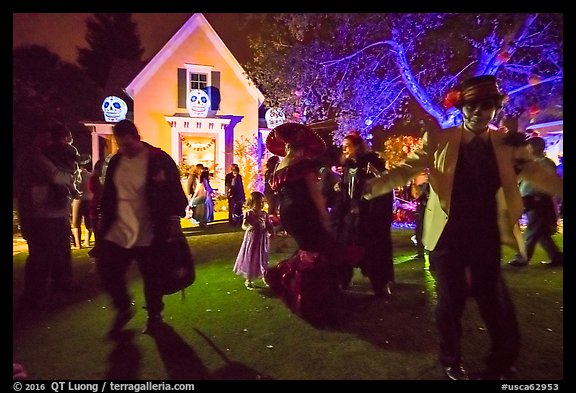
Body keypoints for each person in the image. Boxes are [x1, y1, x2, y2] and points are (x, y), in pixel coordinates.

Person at [363, 75, 563, 380]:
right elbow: (407, 169)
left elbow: (534, 172)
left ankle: (502, 362)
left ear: (495, 109)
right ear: (462, 106)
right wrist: (373, 187)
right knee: (450, 299)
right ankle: (451, 360)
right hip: (448, 232)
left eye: (486, 106)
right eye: (471, 105)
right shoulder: (441, 139)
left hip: (485, 232)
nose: (477, 112)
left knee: (491, 299)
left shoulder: (508, 144)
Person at [92, 119, 188, 337]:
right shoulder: (116, 162)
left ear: (137, 138)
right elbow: (109, 196)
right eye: (121, 146)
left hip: (150, 229)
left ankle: (154, 315)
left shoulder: (159, 159)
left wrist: (174, 217)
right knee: (108, 269)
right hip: (121, 228)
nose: (125, 150)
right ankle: (124, 306)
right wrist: (102, 224)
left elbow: (174, 189)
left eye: (128, 145)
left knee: (151, 274)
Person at [264, 122, 343, 326]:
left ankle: (302, 290)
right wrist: (325, 217)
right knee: (317, 253)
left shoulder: (278, 168)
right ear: (299, 148)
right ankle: (311, 301)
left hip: (289, 216)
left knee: (307, 251)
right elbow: (315, 194)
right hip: (304, 212)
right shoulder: (303, 165)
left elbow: (278, 196)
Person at [14, 124, 77, 310]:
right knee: (42, 255)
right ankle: (36, 293)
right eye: (47, 138)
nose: (50, 142)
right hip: (40, 215)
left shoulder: (39, 155)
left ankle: (55, 285)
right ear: (38, 137)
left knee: (56, 251)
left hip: (48, 214)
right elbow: (56, 176)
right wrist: (71, 177)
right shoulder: (34, 156)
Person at [332, 131, 394, 297]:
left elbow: (385, 185)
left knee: (372, 250)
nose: (344, 149)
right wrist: (341, 188)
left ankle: (380, 283)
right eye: (343, 146)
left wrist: (376, 174)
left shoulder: (371, 163)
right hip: (350, 217)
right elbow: (349, 187)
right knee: (345, 248)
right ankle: (343, 280)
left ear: (357, 147)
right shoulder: (347, 167)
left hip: (368, 217)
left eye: (348, 146)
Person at [508, 137, 563, 267]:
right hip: (530, 199)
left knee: (532, 230)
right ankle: (556, 256)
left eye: (529, 146)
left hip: (538, 200)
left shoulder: (545, 163)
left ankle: (522, 258)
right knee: (541, 232)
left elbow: (545, 182)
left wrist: (537, 196)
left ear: (537, 147)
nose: (527, 149)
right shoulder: (531, 163)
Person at [233, 191, 275, 289]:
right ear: (252, 203)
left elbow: (269, 225)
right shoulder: (249, 213)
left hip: (262, 239)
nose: (261, 204)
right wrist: (249, 227)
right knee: (251, 256)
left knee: (263, 257)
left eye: (262, 202)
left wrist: (272, 233)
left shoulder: (264, 214)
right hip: (252, 239)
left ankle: (264, 276)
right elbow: (243, 225)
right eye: (258, 202)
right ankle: (249, 278)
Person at [70, 156, 94, 248]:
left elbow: (75, 187)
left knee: (76, 223)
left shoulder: (76, 175)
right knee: (88, 222)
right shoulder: (90, 175)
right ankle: (87, 242)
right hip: (89, 199)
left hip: (79, 199)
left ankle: (78, 244)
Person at [411, 173, 430, 260]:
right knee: (420, 231)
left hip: (425, 211)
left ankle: (423, 253)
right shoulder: (422, 185)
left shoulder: (426, 186)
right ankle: (421, 252)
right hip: (422, 210)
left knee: (421, 231)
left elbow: (418, 196)